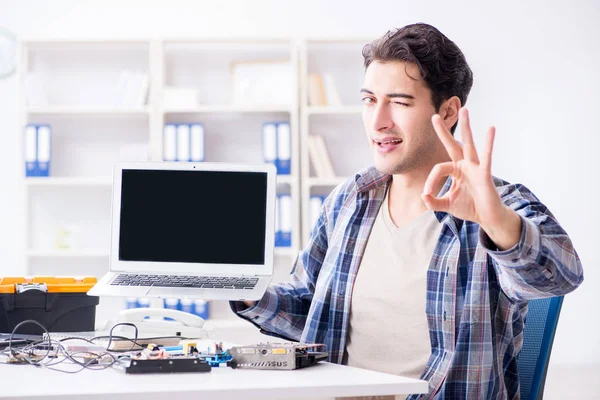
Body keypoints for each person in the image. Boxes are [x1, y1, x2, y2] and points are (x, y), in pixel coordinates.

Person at [230, 23, 584, 399]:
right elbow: (311, 310)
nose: (378, 121)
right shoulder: (349, 201)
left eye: (399, 102)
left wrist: (494, 220)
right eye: (369, 100)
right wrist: (247, 289)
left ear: (448, 112)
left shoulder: (493, 205)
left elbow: (559, 276)